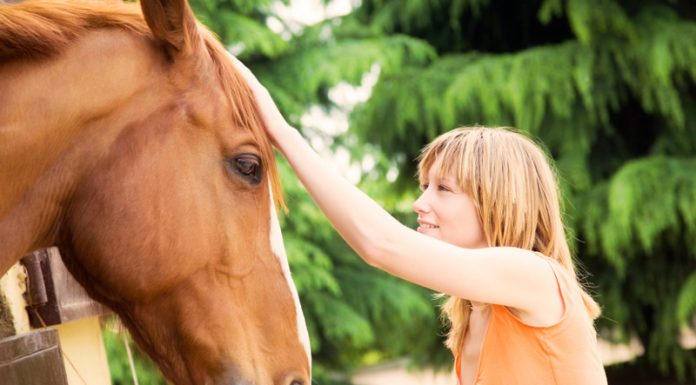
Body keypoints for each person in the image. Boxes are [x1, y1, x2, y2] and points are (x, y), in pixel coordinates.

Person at [231, 57, 608, 385]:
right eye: (425, 186)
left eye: (444, 188)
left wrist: (282, 133)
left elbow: (380, 245)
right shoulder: (475, 314)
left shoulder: (536, 276)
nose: (419, 202)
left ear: (499, 202)